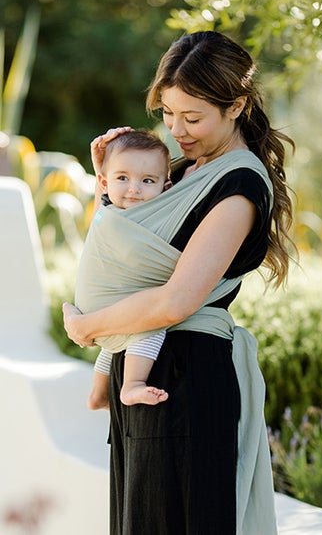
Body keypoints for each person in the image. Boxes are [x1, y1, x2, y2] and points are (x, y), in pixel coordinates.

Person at [63, 31, 295, 535]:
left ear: (235, 106)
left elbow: (176, 299)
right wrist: (108, 173)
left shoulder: (239, 185)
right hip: (145, 372)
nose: (177, 130)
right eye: (168, 114)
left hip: (184, 378)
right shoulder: (178, 172)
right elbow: (121, 250)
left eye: (193, 118)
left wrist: (88, 328)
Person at [77, 130, 173, 410]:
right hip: (106, 303)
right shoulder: (134, 218)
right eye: (123, 178)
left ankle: (98, 393)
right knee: (150, 325)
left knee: (116, 342)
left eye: (147, 181)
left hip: (94, 305)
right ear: (104, 182)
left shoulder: (107, 211)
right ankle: (132, 384)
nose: (134, 189)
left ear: (165, 189)